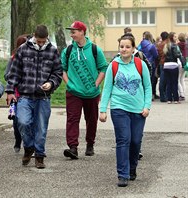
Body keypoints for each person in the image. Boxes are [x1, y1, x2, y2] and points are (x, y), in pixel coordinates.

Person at [5, 25, 62, 169]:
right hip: (25, 95)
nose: (41, 44)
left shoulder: (53, 51)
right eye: (39, 41)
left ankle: (40, 155)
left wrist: (51, 83)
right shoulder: (23, 49)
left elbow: (58, 73)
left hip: (43, 97)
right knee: (23, 122)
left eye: (44, 41)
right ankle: (29, 147)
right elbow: (14, 72)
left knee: (41, 128)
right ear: (34, 37)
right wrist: (10, 91)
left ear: (47, 38)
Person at [99, 34, 152, 187]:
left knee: (135, 141)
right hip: (119, 108)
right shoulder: (113, 65)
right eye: (122, 46)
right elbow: (107, 88)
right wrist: (103, 110)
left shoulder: (140, 64)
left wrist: (146, 106)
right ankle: (123, 174)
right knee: (123, 140)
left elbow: (148, 87)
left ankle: (132, 168)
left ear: (133, 48)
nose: (124, 49)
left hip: (138, 110)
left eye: (127, 46)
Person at [61, 21, 108, 159]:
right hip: (74, 92)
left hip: (92, 93)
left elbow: (103, 68)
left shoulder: (95, 49)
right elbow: (62, 69)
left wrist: (96, 84)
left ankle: (90, 144)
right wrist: (68, 83)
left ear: (82, 32)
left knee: (91, 119)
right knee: (72, 119)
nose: (72, 34)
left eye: (74, 31)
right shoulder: (68, 50)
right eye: (71, 32)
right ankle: (73, 147)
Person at [4, 34, 30, 153]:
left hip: (29, 94)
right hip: (15, 95)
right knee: (15, 120)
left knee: (28, 120)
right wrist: (16, 76)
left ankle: (28, 143)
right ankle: (17, 140)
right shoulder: (13, 58)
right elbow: (6, 75)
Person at [138, 31, 159, 101]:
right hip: (151, 64)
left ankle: (143, 95)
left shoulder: (140, 45)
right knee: (151, 80)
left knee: (143, 79)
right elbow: (156, 55)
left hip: (142, 63)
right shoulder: (151, 46)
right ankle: (151, 95)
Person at [163, 32, 182, 104]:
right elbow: (176, 55)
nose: (176, 38)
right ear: (172, 38)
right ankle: (176, 99)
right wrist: (180, 54)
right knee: (174, 82)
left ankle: (169, 99)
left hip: (166, 65)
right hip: (173, 65)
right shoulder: (174, 45)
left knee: (168, 83)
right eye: (175, 37)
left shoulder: (166, 45)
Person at [157, 31, 169, 102]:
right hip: (166, 62)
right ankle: (165, 96)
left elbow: (158, 55)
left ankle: (162, 96)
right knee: (166, 80)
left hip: (161, 63)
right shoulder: (167, 44)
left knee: (162, 80)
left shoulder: (159, 44)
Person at [177, 33, 187, 101]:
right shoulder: (186, 44)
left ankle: (181, 94)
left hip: (180, 62)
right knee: (182, 79)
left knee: (178, 79)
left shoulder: (178, 45)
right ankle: (184, 93)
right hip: (185, 63)